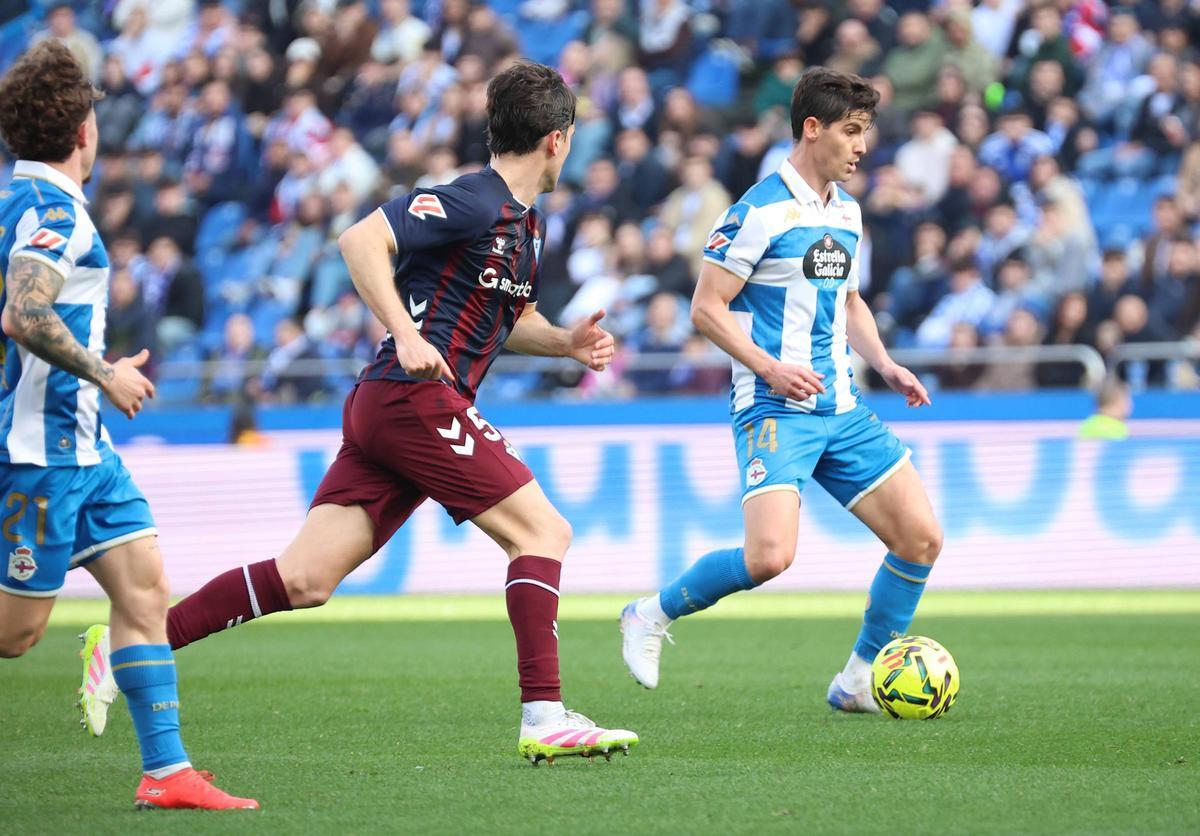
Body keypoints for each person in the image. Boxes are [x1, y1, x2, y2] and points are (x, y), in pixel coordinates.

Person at [83, 61, 637, 765]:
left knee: (305, 578)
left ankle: (133, 636)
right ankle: (544, 713)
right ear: (557, 141)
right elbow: (359, 239)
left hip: (396, 406)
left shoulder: (527, 227)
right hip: (412, 398)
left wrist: (564, 342)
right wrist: (406, 334)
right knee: (543, 531)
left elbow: (508, 317)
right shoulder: (474, 200)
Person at [619, 67, 943, 714]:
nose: (861, 147)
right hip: (775, 407)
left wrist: (883, 361)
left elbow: (849, 301)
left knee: (920, 538)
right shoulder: (758, 211)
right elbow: (706, 309)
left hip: (842, 408)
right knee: (770, 558)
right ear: (812, 128)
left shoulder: (846, 212)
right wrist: (768, 369)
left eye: (866, 134)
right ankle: (650, 613)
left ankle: (855, 681)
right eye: (851, 132)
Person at [0, 42, 257, 810]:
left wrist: (93, 371)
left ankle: (167, 771)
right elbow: (24, 312)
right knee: (16, 635)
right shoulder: (55, 215)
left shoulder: (17, 203)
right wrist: (105, 372)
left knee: (145, 588)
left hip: (85, 448)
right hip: (41, 456)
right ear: (84, 129)